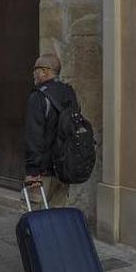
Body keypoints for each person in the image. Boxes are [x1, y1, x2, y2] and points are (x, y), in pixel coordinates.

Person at [24, 53, 80, 207]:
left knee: (33, 219)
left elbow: (34, 136)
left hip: (43, 172)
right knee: (57, 217)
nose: (33, 73)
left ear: (45, 71)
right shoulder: (70, 93)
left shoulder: (38, 97)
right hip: (64, 169)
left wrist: (32, 171)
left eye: (35, 69)